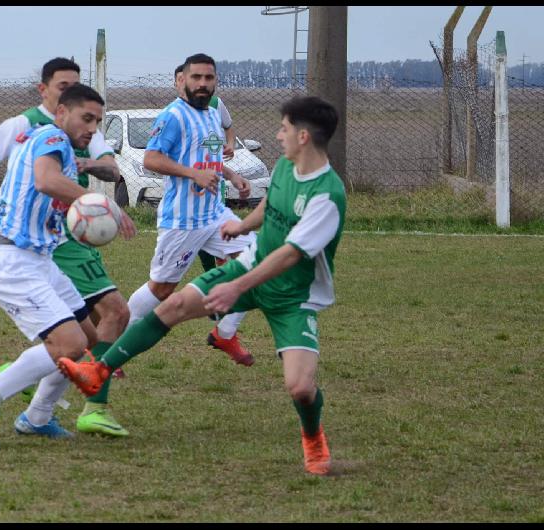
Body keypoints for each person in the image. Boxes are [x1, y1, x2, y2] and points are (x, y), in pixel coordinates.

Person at [59, 95, 346, 476]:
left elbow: (290, 255)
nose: (279, 135)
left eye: (285, 128)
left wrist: (236, 286)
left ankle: (313, 436)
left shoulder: (327, 194)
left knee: (300, 388)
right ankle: (99, 372)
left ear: (305, 136)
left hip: (293, 296)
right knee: (171, 306)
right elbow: (270, 206)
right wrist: (243, 226)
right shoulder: (285, 167)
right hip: (250, 265)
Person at [0, 58, 135, 438]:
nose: (92, 128)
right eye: (86, 119)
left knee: (87, 340)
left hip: (40, 261)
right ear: (61, 111)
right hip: (13, 262)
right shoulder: (51, 137)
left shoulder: (58, 145)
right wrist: (101, 205)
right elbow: (45, 181)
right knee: (68, 344)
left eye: (98, 122)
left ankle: (37, 416)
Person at [173, 63, 251, 362]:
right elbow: (152, 160)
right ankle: (110, 344)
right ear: (180, 81)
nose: (200, 84)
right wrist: (193, 174)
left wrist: (229, 174)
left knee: (254, 261)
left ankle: (226, 329)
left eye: (208, 78)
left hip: (214, 208)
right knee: (160, 289)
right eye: (193, 78)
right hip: (184, 214)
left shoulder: (212, 111)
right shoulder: (174, 117)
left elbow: (211, 155)